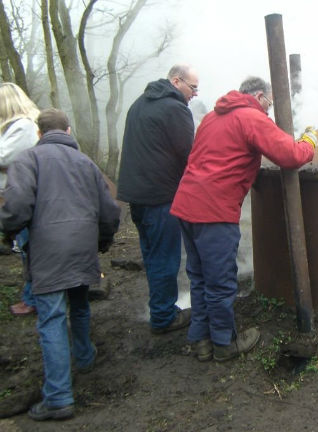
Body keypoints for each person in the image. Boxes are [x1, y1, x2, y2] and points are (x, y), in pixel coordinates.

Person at [170, 77, 317, 361]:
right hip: (214, 211)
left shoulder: (213, 117)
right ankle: (225, 344)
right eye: (270, 103)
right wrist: (309, 140)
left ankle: (201, 340)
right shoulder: (252, 117)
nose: (269, 109)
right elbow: (290, 155)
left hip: (186, 205)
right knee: (221, 282)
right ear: (260, 96)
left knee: (199, 277)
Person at [0, 108, 121, 420]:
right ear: (68, 131)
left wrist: (9, 233)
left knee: (52, 318)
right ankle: (84, 357)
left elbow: (16, 206)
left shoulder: (28, 160)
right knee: (79, 305)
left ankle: (58, 397)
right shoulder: (86, 163)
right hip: (82, 248)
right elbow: (109, 210)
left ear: (39, 133)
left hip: (47, 250)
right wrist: (102, 242)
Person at [117, 64, 198, 334]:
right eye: (193, 87)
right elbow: (192, 156)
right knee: (166, 258)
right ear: (177, 81)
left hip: (137, 197)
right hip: (161, 197)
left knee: (153, 256)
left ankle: (160, 309)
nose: (195, 94)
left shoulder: (139, 104)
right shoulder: (175, 109)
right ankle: (163, 317)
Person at [0, 82, 40, 315]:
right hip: (18, 194)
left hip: (24, 196)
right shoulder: (16, 127)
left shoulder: (23, 126)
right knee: (25, 249)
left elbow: (5, 156)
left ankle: (33, 298)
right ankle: (31, 295)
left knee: (29, 249)